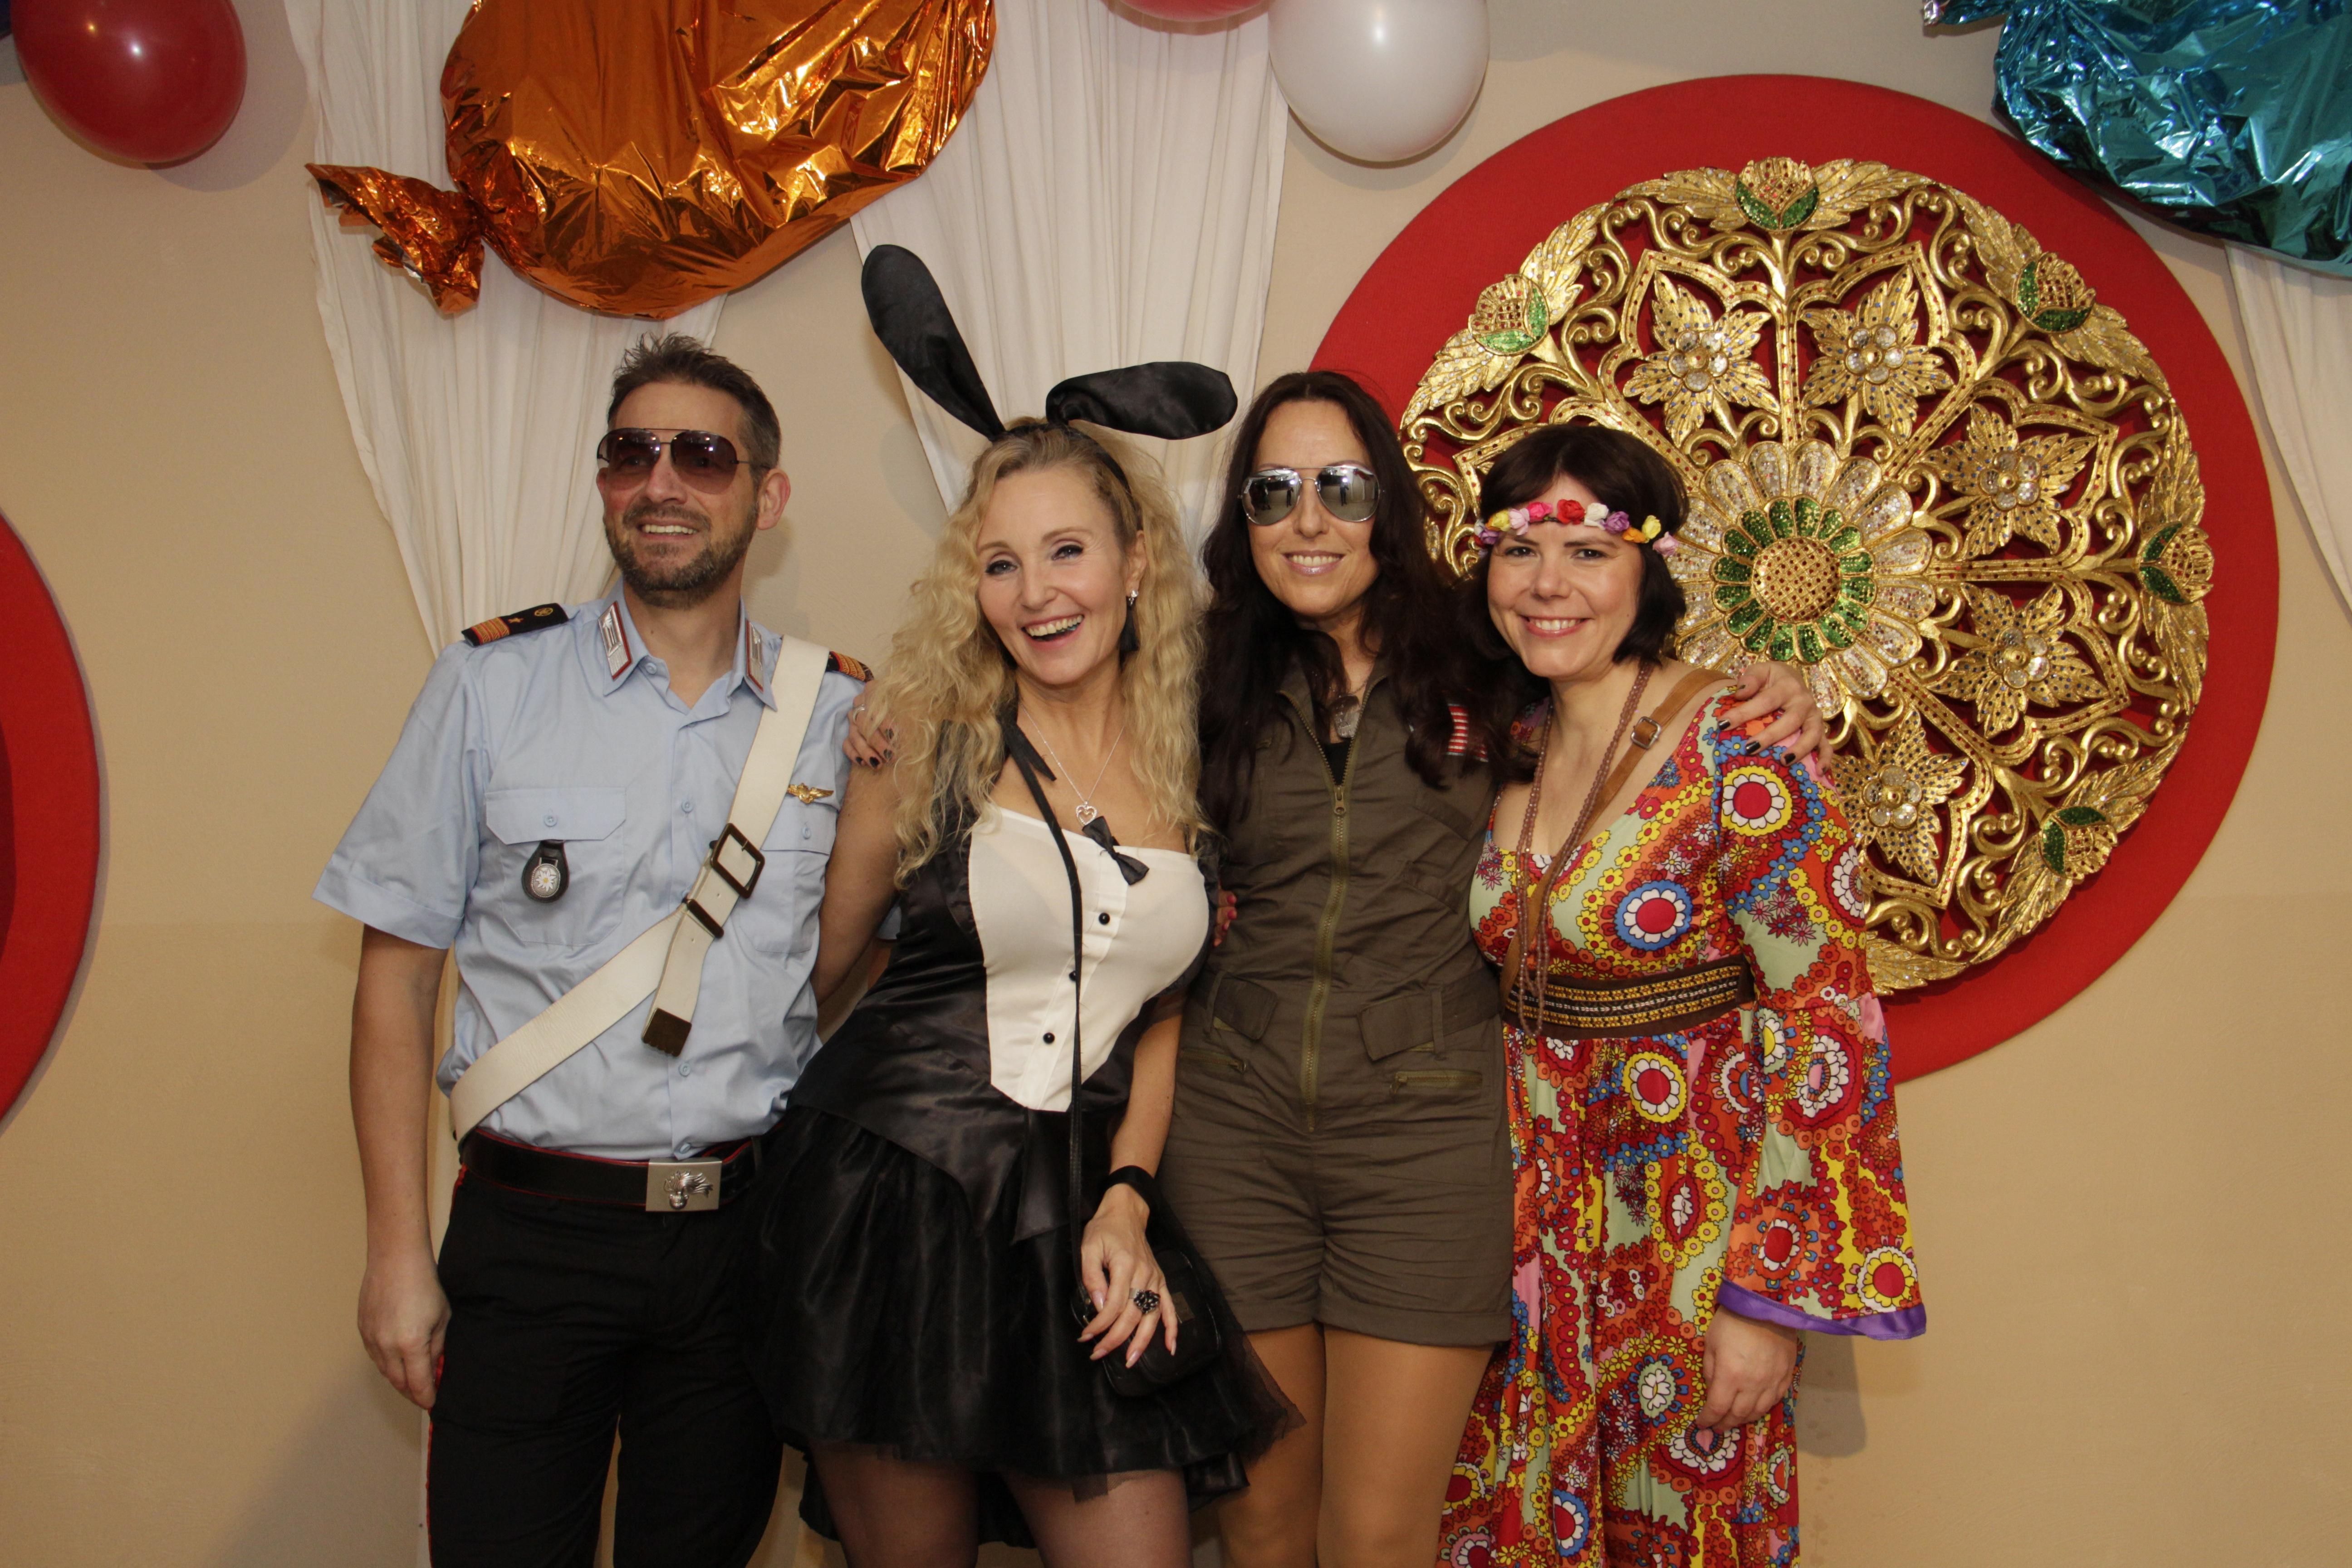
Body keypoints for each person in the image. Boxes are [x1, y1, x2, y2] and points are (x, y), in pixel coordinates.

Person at [1156, 371, 1827, 1568]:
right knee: (1259, 1522)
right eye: (1273, 492)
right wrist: (893, 723)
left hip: (1428, 1139)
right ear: (1240, 517)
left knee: (1378, 1534)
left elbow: (1621, 686)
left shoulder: (1483, 663)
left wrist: (1774, 687)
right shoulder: (1192, 677)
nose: (1308, 520)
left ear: (1388, 503)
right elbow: (1056, 717)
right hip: (1232, 1131)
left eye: (1341, 487)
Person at [318, 335, 872, 1567]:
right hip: (530, 1237)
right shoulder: (488, 686)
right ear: (606, 481)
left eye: (703, 455)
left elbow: (859, 958)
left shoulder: (840, 718)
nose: (662, 481)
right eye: (633, 453)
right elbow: (397, 979)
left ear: (767, 497)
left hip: (739, 1242)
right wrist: (396, 1253)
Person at [741, 416, 1292, 1565]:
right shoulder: (925, 742)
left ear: (1136, 562)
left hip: (1077, 1216)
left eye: (1066, 552)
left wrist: (1129, 1195)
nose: (1036, 592)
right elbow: (816, 973)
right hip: (889, 1201)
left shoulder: (1193, 757)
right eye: (1001, 563)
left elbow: (1161, 1013)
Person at [1441, 424, 1924, 1565]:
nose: (1548, 584)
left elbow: (1827, 1027)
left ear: (1648, 569)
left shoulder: (1744, 745)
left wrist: (1765, 1299)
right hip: (1519, 1228)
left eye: (1588, 551)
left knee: (1677, 1531)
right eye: (1519, 550)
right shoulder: (1501, 742)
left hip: (1688, 1231)